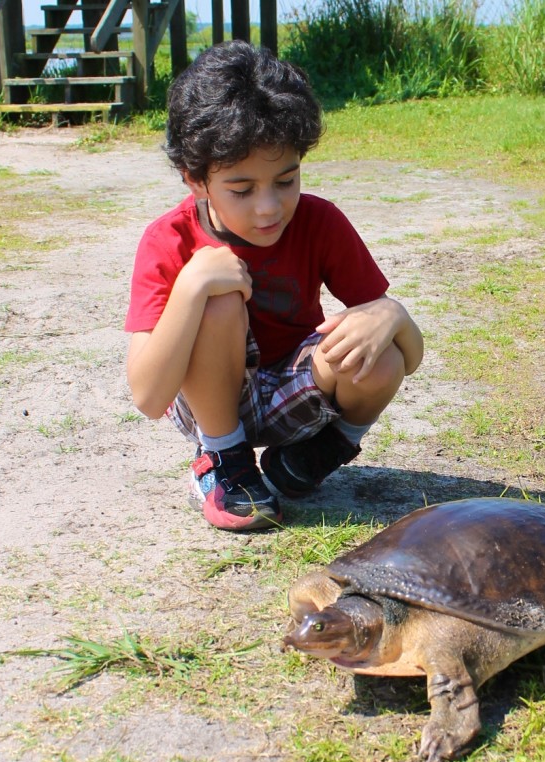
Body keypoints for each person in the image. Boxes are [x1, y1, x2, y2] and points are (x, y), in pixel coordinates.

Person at [124, 41, 423, 533]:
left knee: (379, 347)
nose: (269, 208)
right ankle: (225, 461)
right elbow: (149, 397)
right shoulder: (168, 239)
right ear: (194, 179)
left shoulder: (320, 222)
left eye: (285, 181)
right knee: (217, 296)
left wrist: (393, 315)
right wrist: (192, 286)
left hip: (295, 390)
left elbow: (404, 360)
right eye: (241, 190)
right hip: (210, 401)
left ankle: (318, 452)